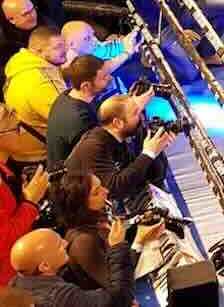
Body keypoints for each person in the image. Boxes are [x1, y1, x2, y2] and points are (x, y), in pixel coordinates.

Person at [50, 172, 167, 291]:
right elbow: (118, 286)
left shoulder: (95, 218)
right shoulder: (83, 243)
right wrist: (139, 241)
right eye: (96, 192)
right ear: (81, 205)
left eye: (101, 186)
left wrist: (141, 224)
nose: (105, 191)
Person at [65, 95, 176, 212]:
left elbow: (140, 175)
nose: (141, 118)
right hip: (80, 214)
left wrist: (156, 148)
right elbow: (115, 189)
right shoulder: (93, 147)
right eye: (135, 114)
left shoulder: (118, 138)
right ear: (117, 123)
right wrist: (149, 153)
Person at [9, 219, 150, 307]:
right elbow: (120, 296)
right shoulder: (60, 297)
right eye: (59, 245)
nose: (65, 243)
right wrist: (117, 247)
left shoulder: (18, 282)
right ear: (45, 266)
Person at [4, 28, 68, 172]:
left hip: (22, 153)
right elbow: (69, 120)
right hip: (39, 157)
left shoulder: (23, 65)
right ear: (38, 51)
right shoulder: (41, 83)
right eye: (58, 47)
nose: (65, 50)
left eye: (63, 44)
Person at [46, 56, 118, 171]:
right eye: (104, 77)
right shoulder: (80, 120)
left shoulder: (68, 94)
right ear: (86, 86)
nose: (110, 78)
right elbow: (98, 153)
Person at [0, 128, 49, 287]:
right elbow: (3, 240)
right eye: (14, 129)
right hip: (9, 278)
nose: (20, 131)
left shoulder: (4, 167)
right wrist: (30, 202)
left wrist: (23, 197)